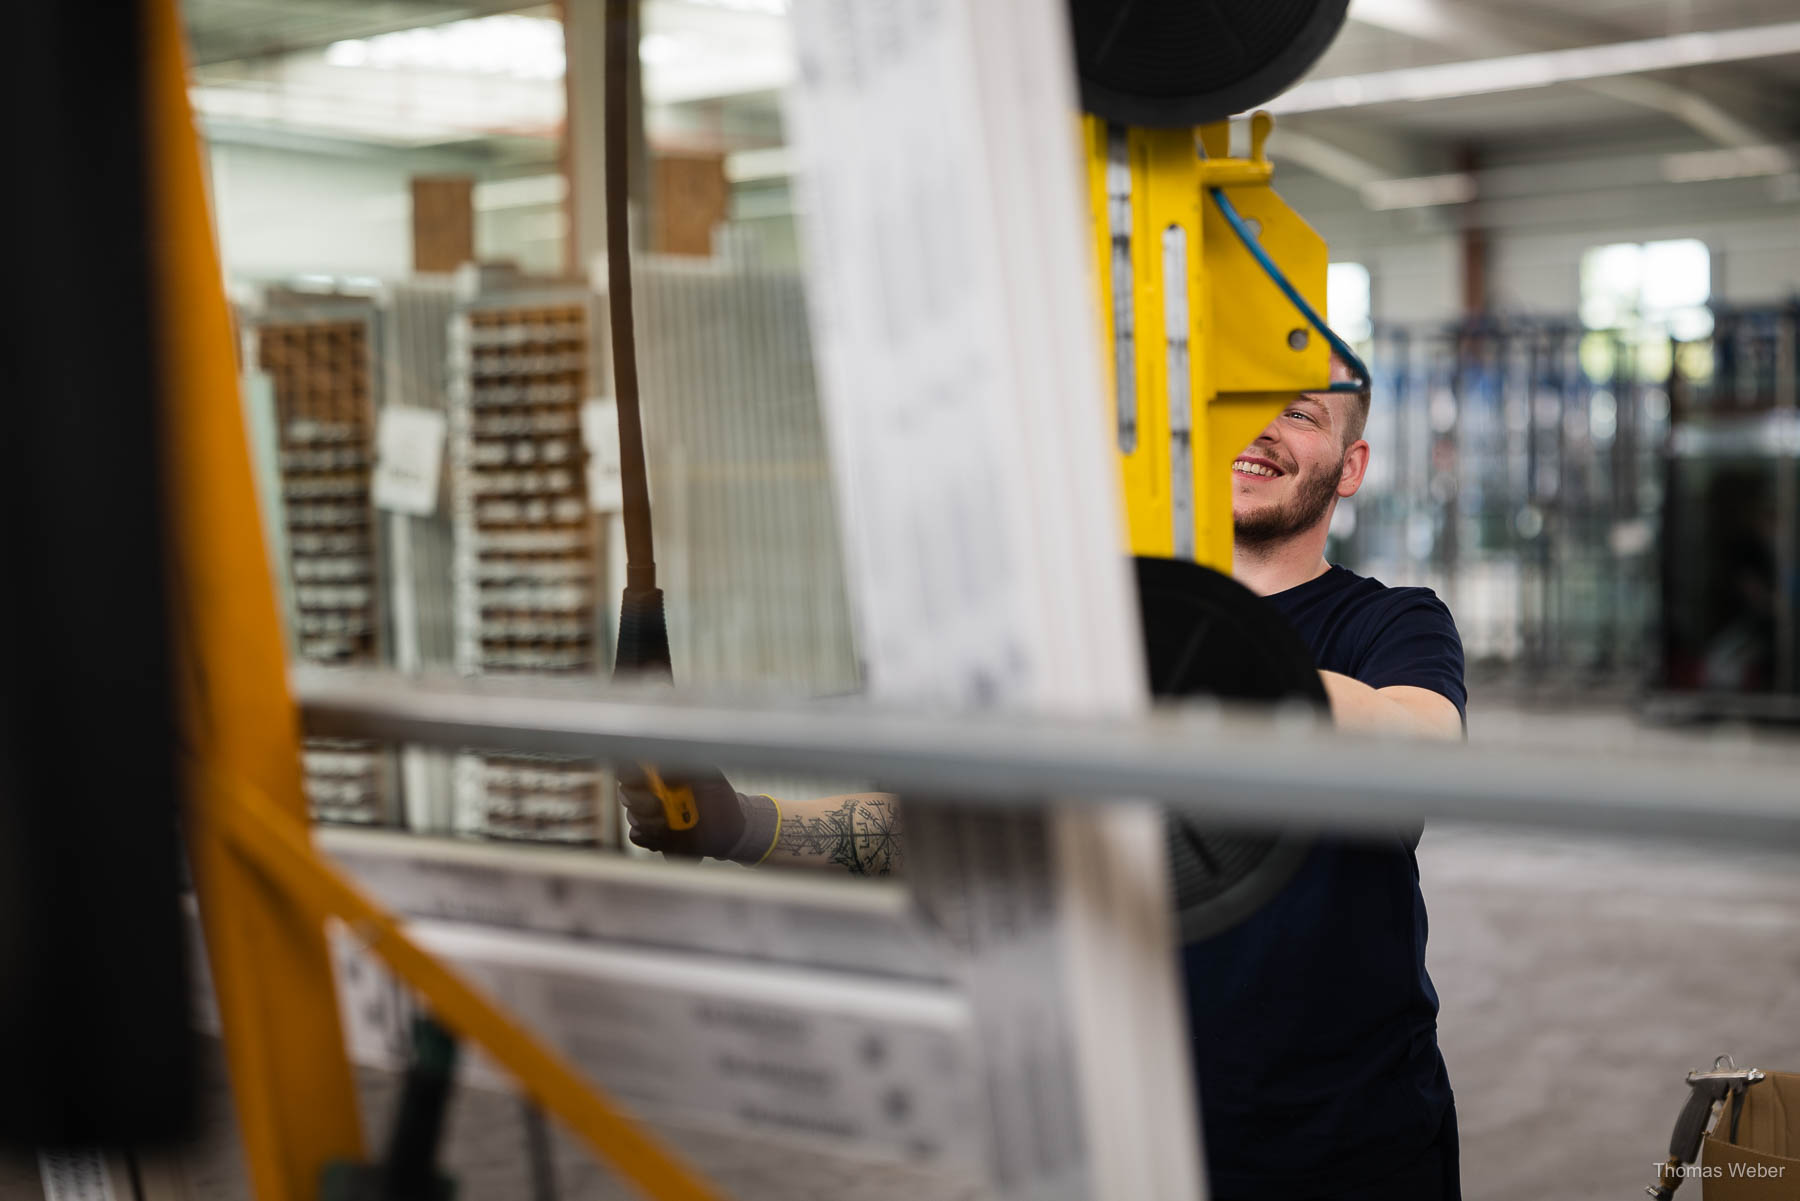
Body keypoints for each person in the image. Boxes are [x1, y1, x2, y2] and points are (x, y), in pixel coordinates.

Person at [620, 354, 1466, 1201]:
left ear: (1350, 467)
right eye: (1239, 401)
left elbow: (1420, 748)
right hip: (1132, 1141)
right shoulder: (1102, 625)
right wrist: (737, 824)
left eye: (1302, 413)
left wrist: (1199, 650)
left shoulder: (1389, 622)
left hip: (1351, 1142)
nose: (1263, 426)